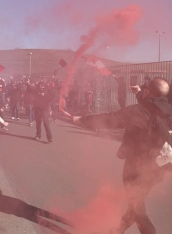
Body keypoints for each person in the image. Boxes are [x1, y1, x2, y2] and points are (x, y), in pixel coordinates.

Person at [73, 77, 172, 234]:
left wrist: (82, 120)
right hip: (158, 168)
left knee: (137, 208)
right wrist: (141, 94)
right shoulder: (168, 109)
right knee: (136, 202)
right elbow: (152, 107)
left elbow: (110, 119)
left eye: (145, 88)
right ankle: (117, 230)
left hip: (137, 167)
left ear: (149, 92)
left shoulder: (138, 111)